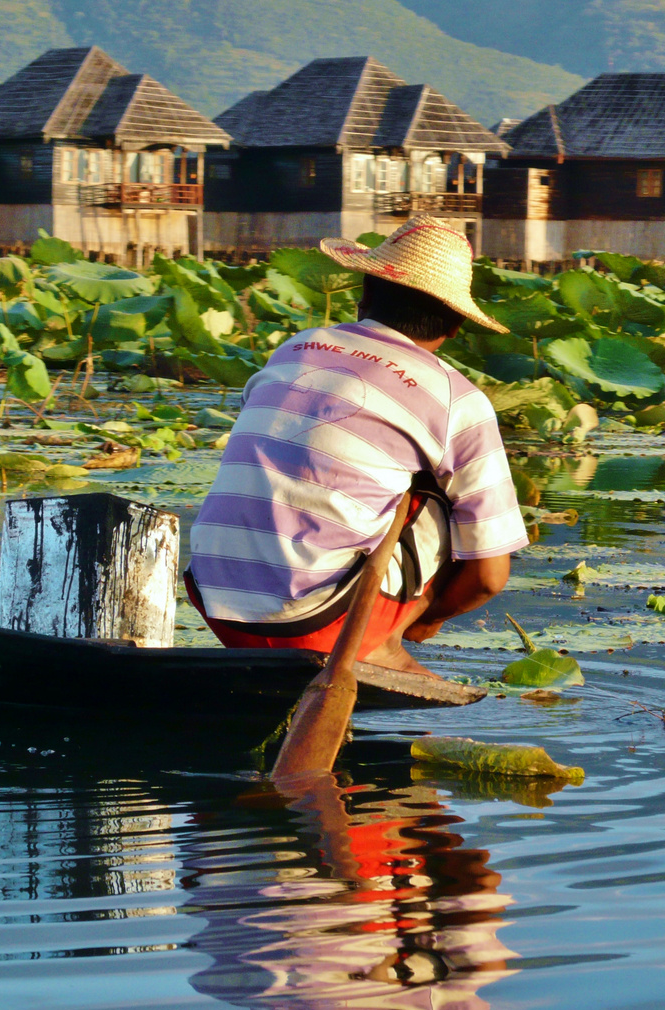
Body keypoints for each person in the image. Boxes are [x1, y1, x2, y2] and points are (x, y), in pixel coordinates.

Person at [186, 215, 528, 677]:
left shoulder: (297, 346)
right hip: (321, 622)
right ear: (456, 326)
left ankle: (375, 642)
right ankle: (381, 642)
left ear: (364, 296)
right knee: (435, 492)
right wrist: (431, 617)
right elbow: (489, 577)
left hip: (214, 598)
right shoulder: (457, 399)